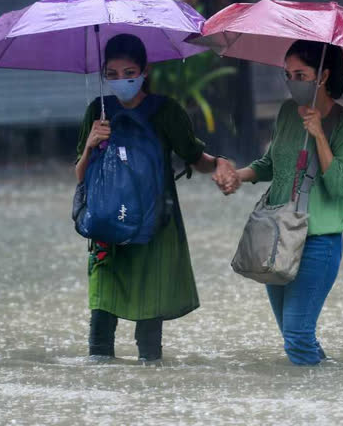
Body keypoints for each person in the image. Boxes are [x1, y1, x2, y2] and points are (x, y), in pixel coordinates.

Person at [75, 34, 237, 362]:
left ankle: (151, 393)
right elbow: (80, 176)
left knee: (149, 332)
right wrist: (91, 143)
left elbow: (195, 159)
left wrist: (218, 163)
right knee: (101, 322)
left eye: (129, 72)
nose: (121, 80)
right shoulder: (98, 110)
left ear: (146, 70)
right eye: (113, 74)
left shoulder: (167, 112)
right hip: (107, 225)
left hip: (155, 226)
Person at [218, 40, 343, 365]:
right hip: (278, 238)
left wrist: (320, 135)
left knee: (297, 335)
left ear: (322, 76)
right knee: (295, 336)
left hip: (318, 243)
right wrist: (238, 176)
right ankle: (327, 392)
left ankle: (313, 409)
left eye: (300, 74)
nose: (292, 82)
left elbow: (339, 186)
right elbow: (271, 163)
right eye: (288, 74)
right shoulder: (286, 112)